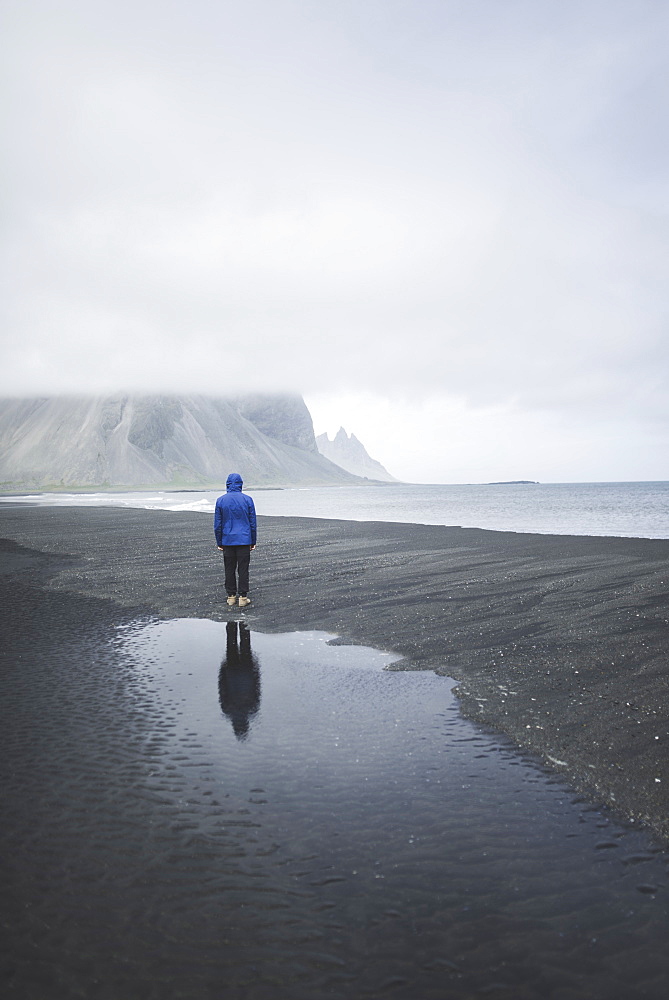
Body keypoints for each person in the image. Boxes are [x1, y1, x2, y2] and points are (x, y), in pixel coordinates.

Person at [214, 473, 257, 607]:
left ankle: (231, 596)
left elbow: (218, 525)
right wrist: (253, 541)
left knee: (229, 568)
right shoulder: (247, 499)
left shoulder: (221, 500)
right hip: (244, 540)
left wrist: (219, 542)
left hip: (227, 540)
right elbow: (252, 523)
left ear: (227, 484)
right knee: (243, 569)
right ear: (240, 484)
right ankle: (243, 598)